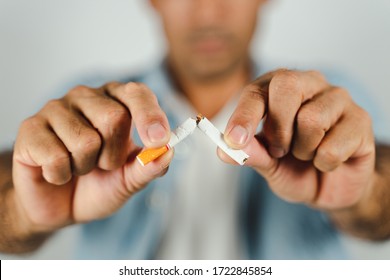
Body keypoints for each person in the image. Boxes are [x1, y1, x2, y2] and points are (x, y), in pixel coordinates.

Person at [1, 0, 390, 259]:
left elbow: (381, 208)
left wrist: (365, 195)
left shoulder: (331, 98)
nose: (207, 14)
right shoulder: (86, 108)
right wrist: (21, 211)